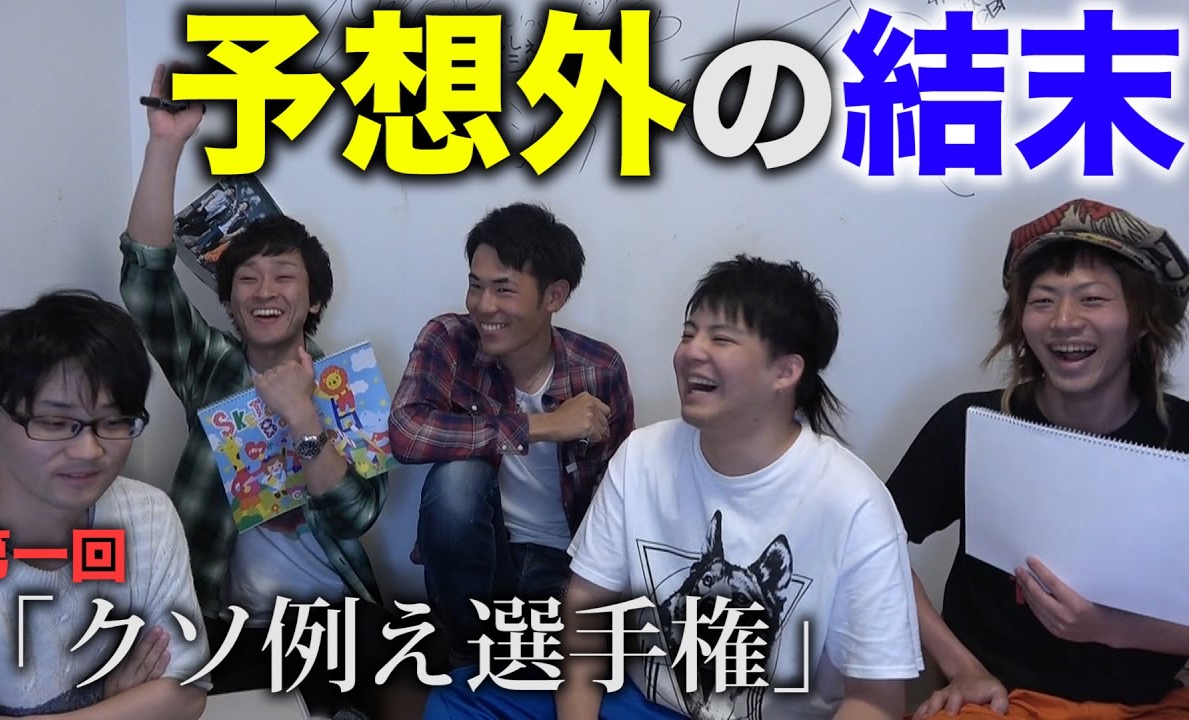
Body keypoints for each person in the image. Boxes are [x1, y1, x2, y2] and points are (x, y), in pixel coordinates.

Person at [423, 254, 924, 719]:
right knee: (457, 700)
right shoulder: (643, 456)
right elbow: (585, 621)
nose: (690, 353)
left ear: (786, 371)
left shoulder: (853, 502)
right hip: (644, 703)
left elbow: (874, 701)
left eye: (721, 339)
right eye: (688, 334)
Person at [118, 63, 391, 716]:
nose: (265, 290)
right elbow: (146, 281)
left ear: (314, 298)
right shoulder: (212, 364)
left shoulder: (348, 385)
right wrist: (165, 144)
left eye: (284, 276)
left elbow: (356, 516)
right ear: (230, 301)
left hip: (334, 618)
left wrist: (303, 416)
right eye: (247, 279)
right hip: (225, 617)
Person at [887, 198, 1189, 719]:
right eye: (1043, 301)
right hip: (999, 700)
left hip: (1153, 703)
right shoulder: (970, 423)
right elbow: (870, 550)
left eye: (1092, 299)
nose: (1064, 321)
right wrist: (963, 669)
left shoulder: (1181, 437)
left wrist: (1109, 628)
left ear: (1143, 321)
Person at [0, 289, 209, 720]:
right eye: (55, 423)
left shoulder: (148, 516)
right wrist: (117, 705)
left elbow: (188, 693)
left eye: (114, 421)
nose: (89, 450)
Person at [389, 201, 635, 665]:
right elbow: (406, 432)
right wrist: (538, 426)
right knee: (458, 478)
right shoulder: (449, 340)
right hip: (481, 560)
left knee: (556, 681)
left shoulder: (599, 369)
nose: (484, 306)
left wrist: (589, 597)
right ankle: (466, 654)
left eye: (503, 289)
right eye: (475, 286)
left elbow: (623, 493)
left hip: (566, 566)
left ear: (555, 296)